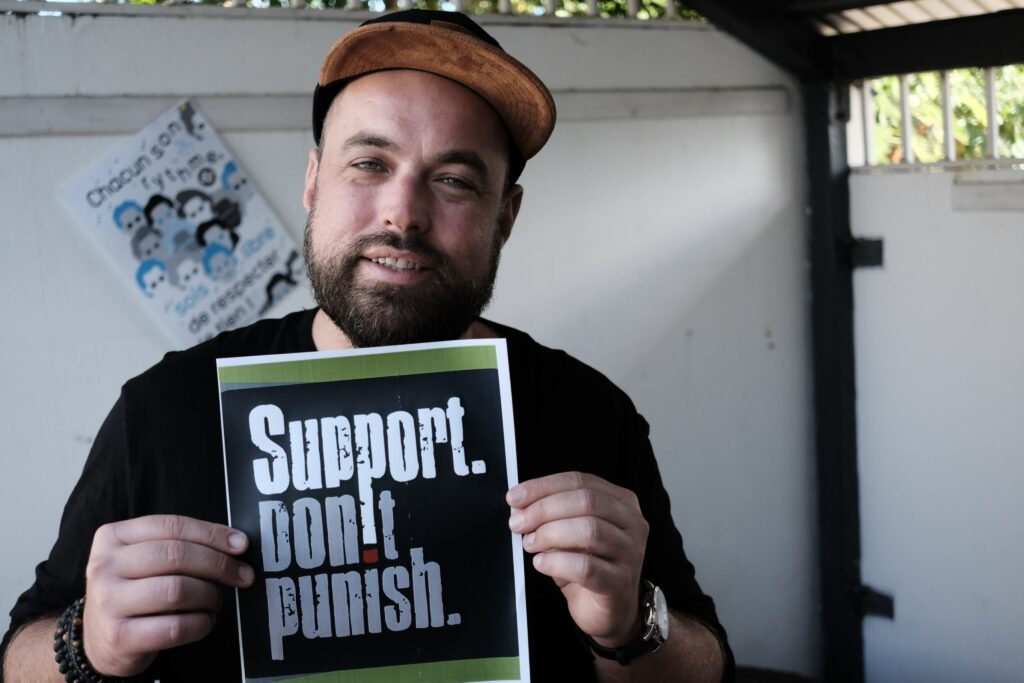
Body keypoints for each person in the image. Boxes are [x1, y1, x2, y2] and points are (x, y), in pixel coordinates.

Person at [0, 10, 733, 683]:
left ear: (506, 217)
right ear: (314, 181)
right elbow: (18, 659)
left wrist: (631, 625)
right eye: (369, 163)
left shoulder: (589, 413)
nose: (402, 214)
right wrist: (89, 644)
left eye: (454, 180)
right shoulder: (166, 408)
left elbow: (708, 666)